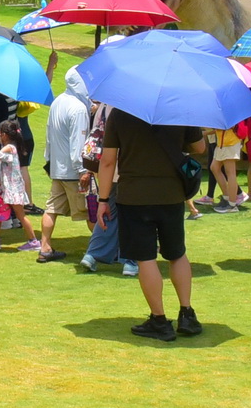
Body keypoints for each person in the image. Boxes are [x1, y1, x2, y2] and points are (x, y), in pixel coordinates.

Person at [98, 100, 207, 340]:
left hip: (134, 195)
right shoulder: (181, 108)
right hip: (172, 194)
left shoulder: (121, 112)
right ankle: (187, 313)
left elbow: (107, 161)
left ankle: (159, 319)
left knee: (145, 258)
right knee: (177, 253)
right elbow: (200, 148)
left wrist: (103, 199)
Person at [34, 66, 91, 263]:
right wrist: (83, 169)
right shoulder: (79, 109)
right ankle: (99, 251)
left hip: (57, 168)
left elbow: (49, 134)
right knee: (90, 211)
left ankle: (45, 247)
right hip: (74, 171)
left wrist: (49, 160)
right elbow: (79, 143)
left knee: (52, 209)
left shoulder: (58, 101)